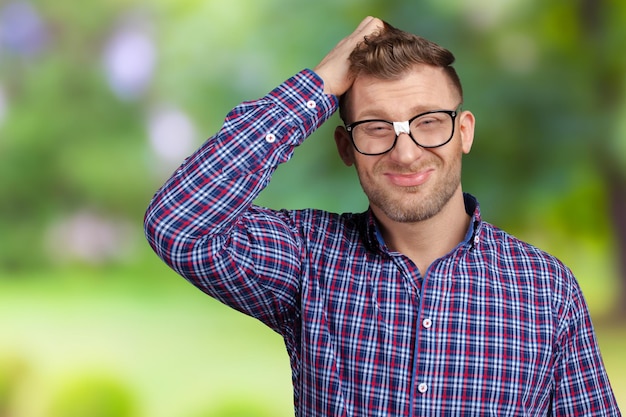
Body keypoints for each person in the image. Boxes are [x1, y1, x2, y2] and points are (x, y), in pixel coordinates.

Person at [144, 16, 621, 416]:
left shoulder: (546, 289)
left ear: (464, 132)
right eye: (376, 128)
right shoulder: (308, 258)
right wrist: (321, 85)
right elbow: (178, 222)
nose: (407, 153)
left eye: (429, 122)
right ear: (346, 147)